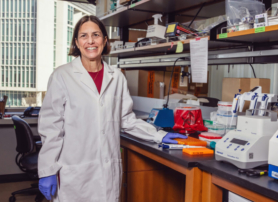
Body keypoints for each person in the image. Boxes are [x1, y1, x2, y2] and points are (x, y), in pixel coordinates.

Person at [37, 15, 187, 202]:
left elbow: (126, 120)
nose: (90, 41)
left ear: (105, 40)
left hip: (107, 172)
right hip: (73, 171)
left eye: (96, 35)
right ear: (76, 42)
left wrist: (159, 135)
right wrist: (47, 170)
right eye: (83, 36)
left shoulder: (116, 77)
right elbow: (51, 128)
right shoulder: (62, 76)